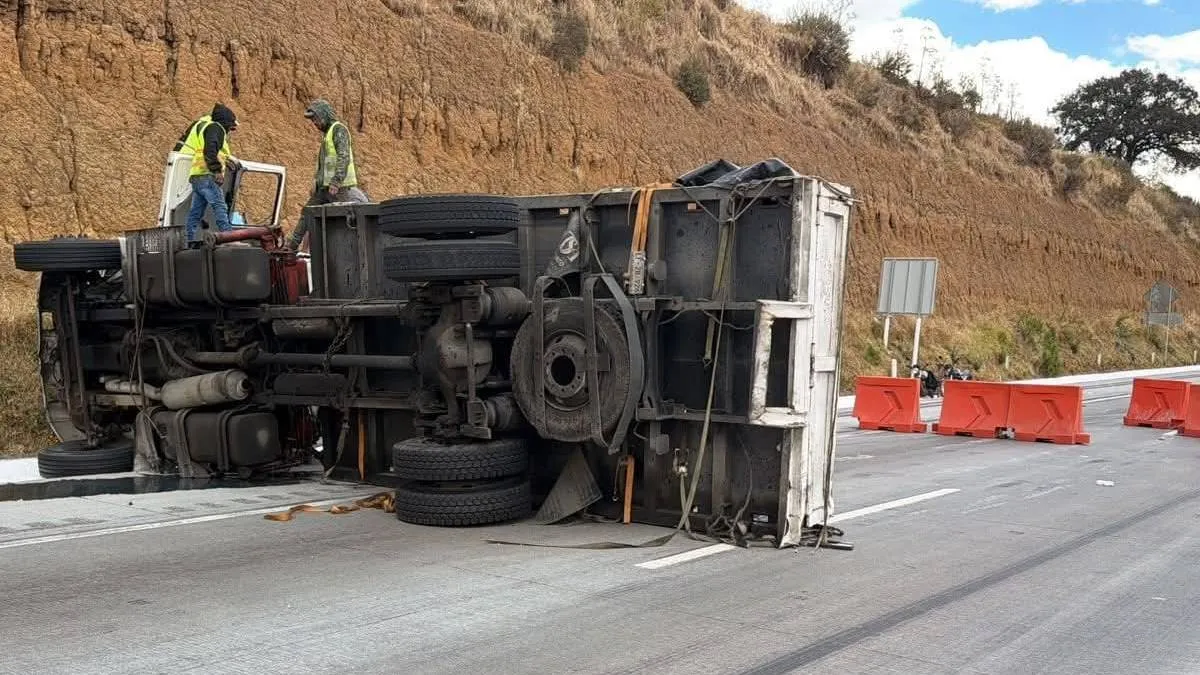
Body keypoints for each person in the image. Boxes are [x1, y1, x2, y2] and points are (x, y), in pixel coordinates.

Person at [287, 99, 370, 250]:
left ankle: (360, 248)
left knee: (354, 217)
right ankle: (291, 247)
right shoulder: (327, 135)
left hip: (341, 189)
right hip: (325, 188)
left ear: (324, 115)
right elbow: (325, 165)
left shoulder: (338, 130)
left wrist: (336, 181)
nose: (315, 124)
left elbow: (343, 157)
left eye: (316, 119)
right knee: (307, 214)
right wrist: (317, 183)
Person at [184, 103, 239, 243]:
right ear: (225, 122)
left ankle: (188, 241)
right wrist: (217, 171)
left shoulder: (210, 128)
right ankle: (229, 238)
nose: (231, 130)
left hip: (197, 176)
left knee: (195, 213)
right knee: (220, 206)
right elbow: (210, 150)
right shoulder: (216, 128)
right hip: (207, 176)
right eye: (231, 126)